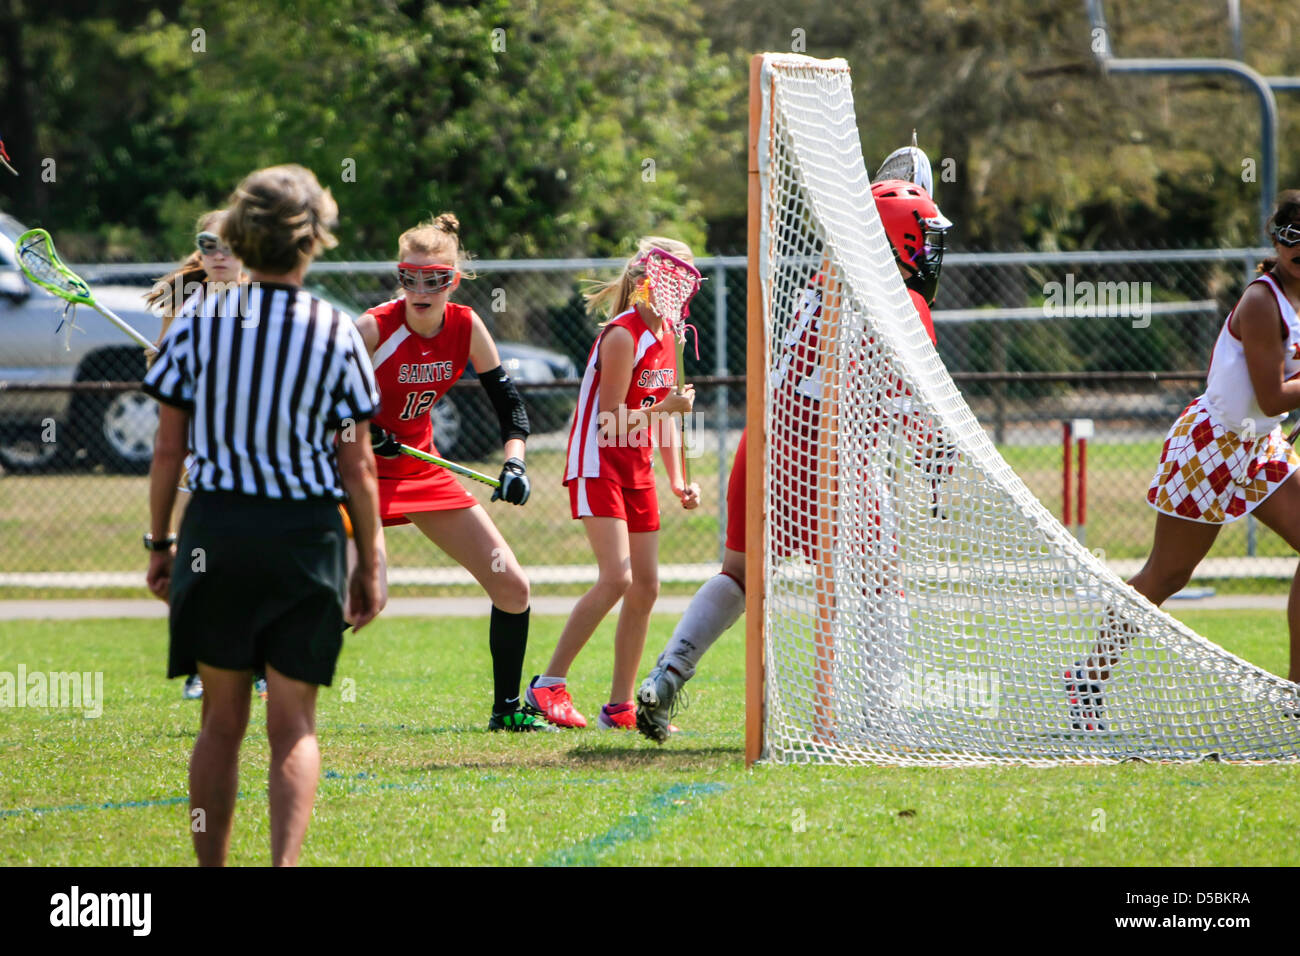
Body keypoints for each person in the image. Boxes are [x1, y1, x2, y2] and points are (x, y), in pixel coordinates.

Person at [635, 176, 954, 742]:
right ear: (897, 239)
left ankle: (667, 674)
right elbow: (911, 408)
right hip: (832, 456)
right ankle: (884, 717)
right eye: (923, 237)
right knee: (883, 586)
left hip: (763, 445)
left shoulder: (822, 282)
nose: (930, 251)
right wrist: (938, 453)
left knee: (737, 575)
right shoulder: (901, 303)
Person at [142, 164, 385, 866]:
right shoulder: (336, 329)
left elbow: (167, 450)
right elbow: (357, 465)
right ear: (315, 239)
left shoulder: (197, 322)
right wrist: (370, 560)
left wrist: (160, 542)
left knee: (219, 724)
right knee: (294, 727)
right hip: (306, 536)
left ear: (243, 232)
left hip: (215, 530)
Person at [1070, 191, 1300, 731]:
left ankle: (1296, 692)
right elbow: (1271, 396)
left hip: (1260, 446)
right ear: (1275, 241)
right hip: (1212, 445)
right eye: (1291, 240)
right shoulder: (1263, 302)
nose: (1299, 252)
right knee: (1168, 573)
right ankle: (1088, 678)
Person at [355, 214, 545, 732]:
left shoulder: (465, 326)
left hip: (419, 467)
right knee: (362, 601)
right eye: (408, 276)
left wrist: (515, 462)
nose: (420, 289)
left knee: (513, 588)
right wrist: (359, 429)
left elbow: (509, 406)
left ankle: (506, 711)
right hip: (354, 472)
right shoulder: (372, 328)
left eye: (434, 278)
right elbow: (315, 404)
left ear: (452, 281)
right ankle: (256, 664)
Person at [526, 237, 702, 730]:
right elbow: (609, 423)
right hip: (597, 461)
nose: (682, 288)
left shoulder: (672, 334)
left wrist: (678, 479)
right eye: (675, 278)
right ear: (648, 280)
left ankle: (620, 706)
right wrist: (667, 408)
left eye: (688, 280)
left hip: (637, 465)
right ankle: (547, 685)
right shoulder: (622, 336)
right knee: (617, 577)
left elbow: (663, 421)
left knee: (646, 585)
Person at [144, 211, 269, 702]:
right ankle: (205, 664)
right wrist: (164, 363)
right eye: (208, 244)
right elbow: (161, 368)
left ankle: (257, 661)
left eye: (229, 245)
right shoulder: (183, 298)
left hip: (254, 449)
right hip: (201, 448)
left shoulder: (260, 300)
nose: (218, 255)